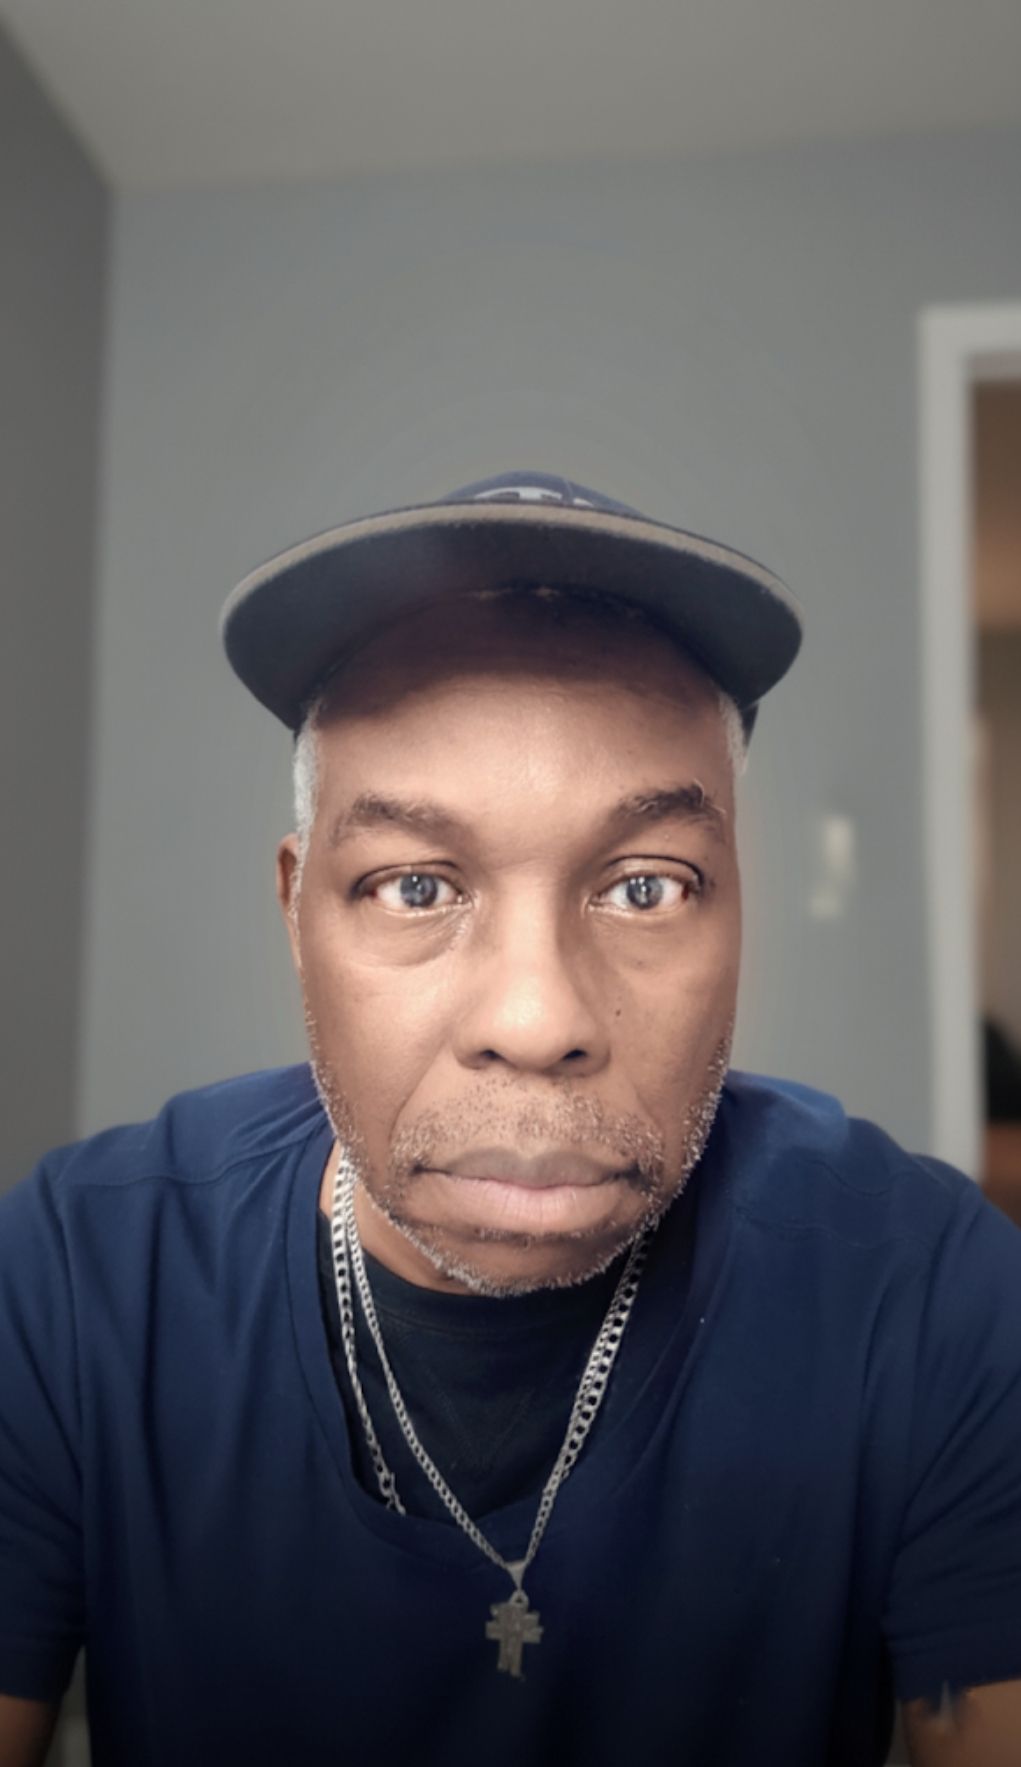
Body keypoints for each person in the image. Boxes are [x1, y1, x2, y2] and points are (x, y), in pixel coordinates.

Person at [1, 472, 1019, 1767]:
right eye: (414, 884)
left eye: (646, 886)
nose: (537, 1020)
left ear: (740, 910)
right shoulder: (78, 1274)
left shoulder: (927, 1288)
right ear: (295, 910)